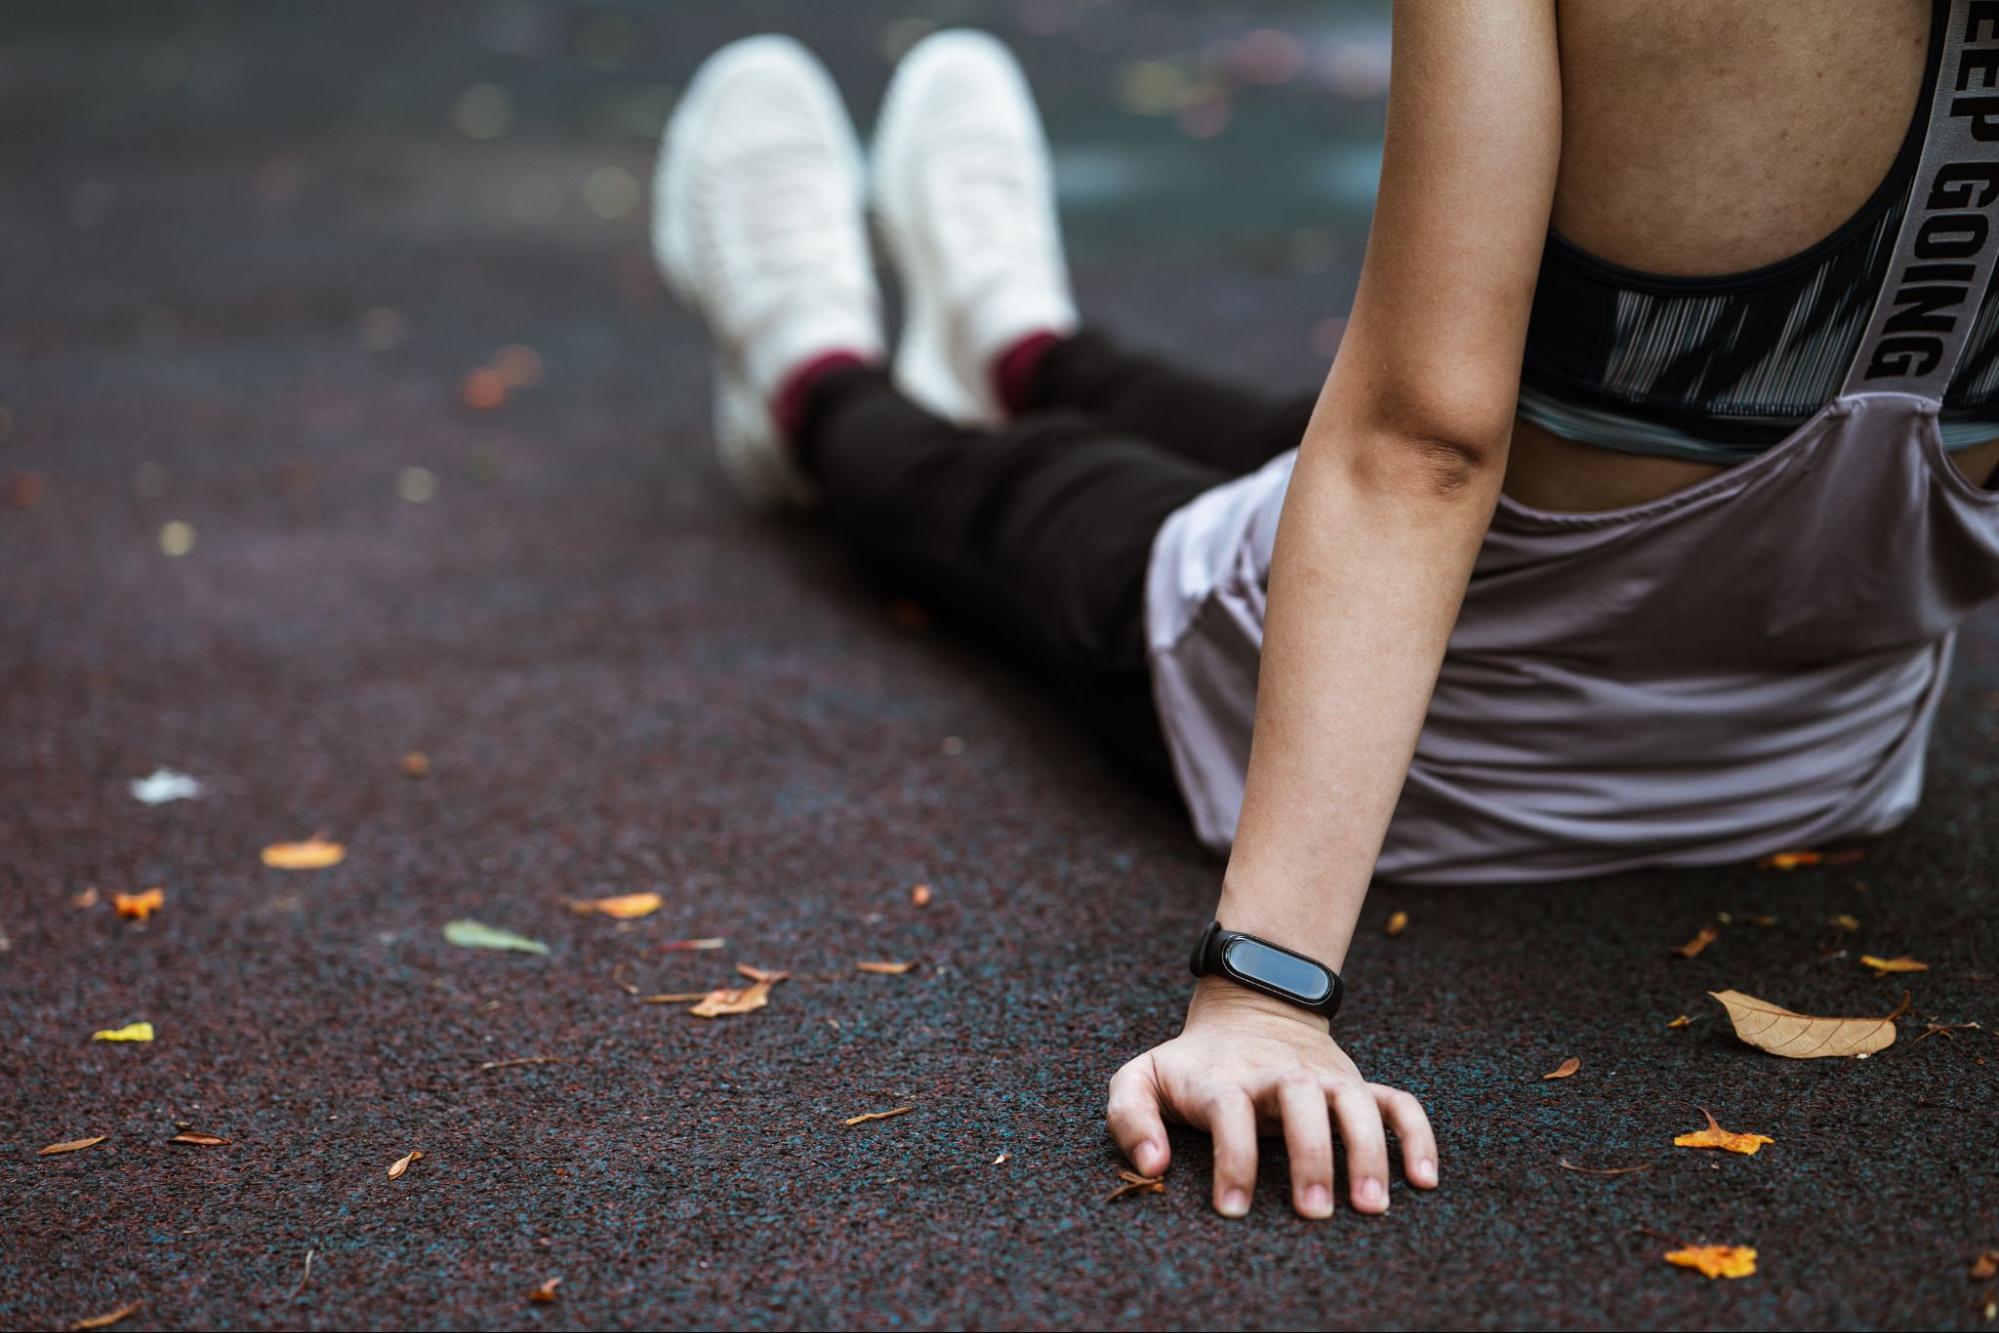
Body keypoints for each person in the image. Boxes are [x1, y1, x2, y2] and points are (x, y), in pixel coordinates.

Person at [652, 3, 1999, 1221]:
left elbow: (1421, 451)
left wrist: (1267, 992)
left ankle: (806, 372)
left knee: (1031, 498)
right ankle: (1025, 345)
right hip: (1826, 755)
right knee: (1336, 444)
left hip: (1445, 767)